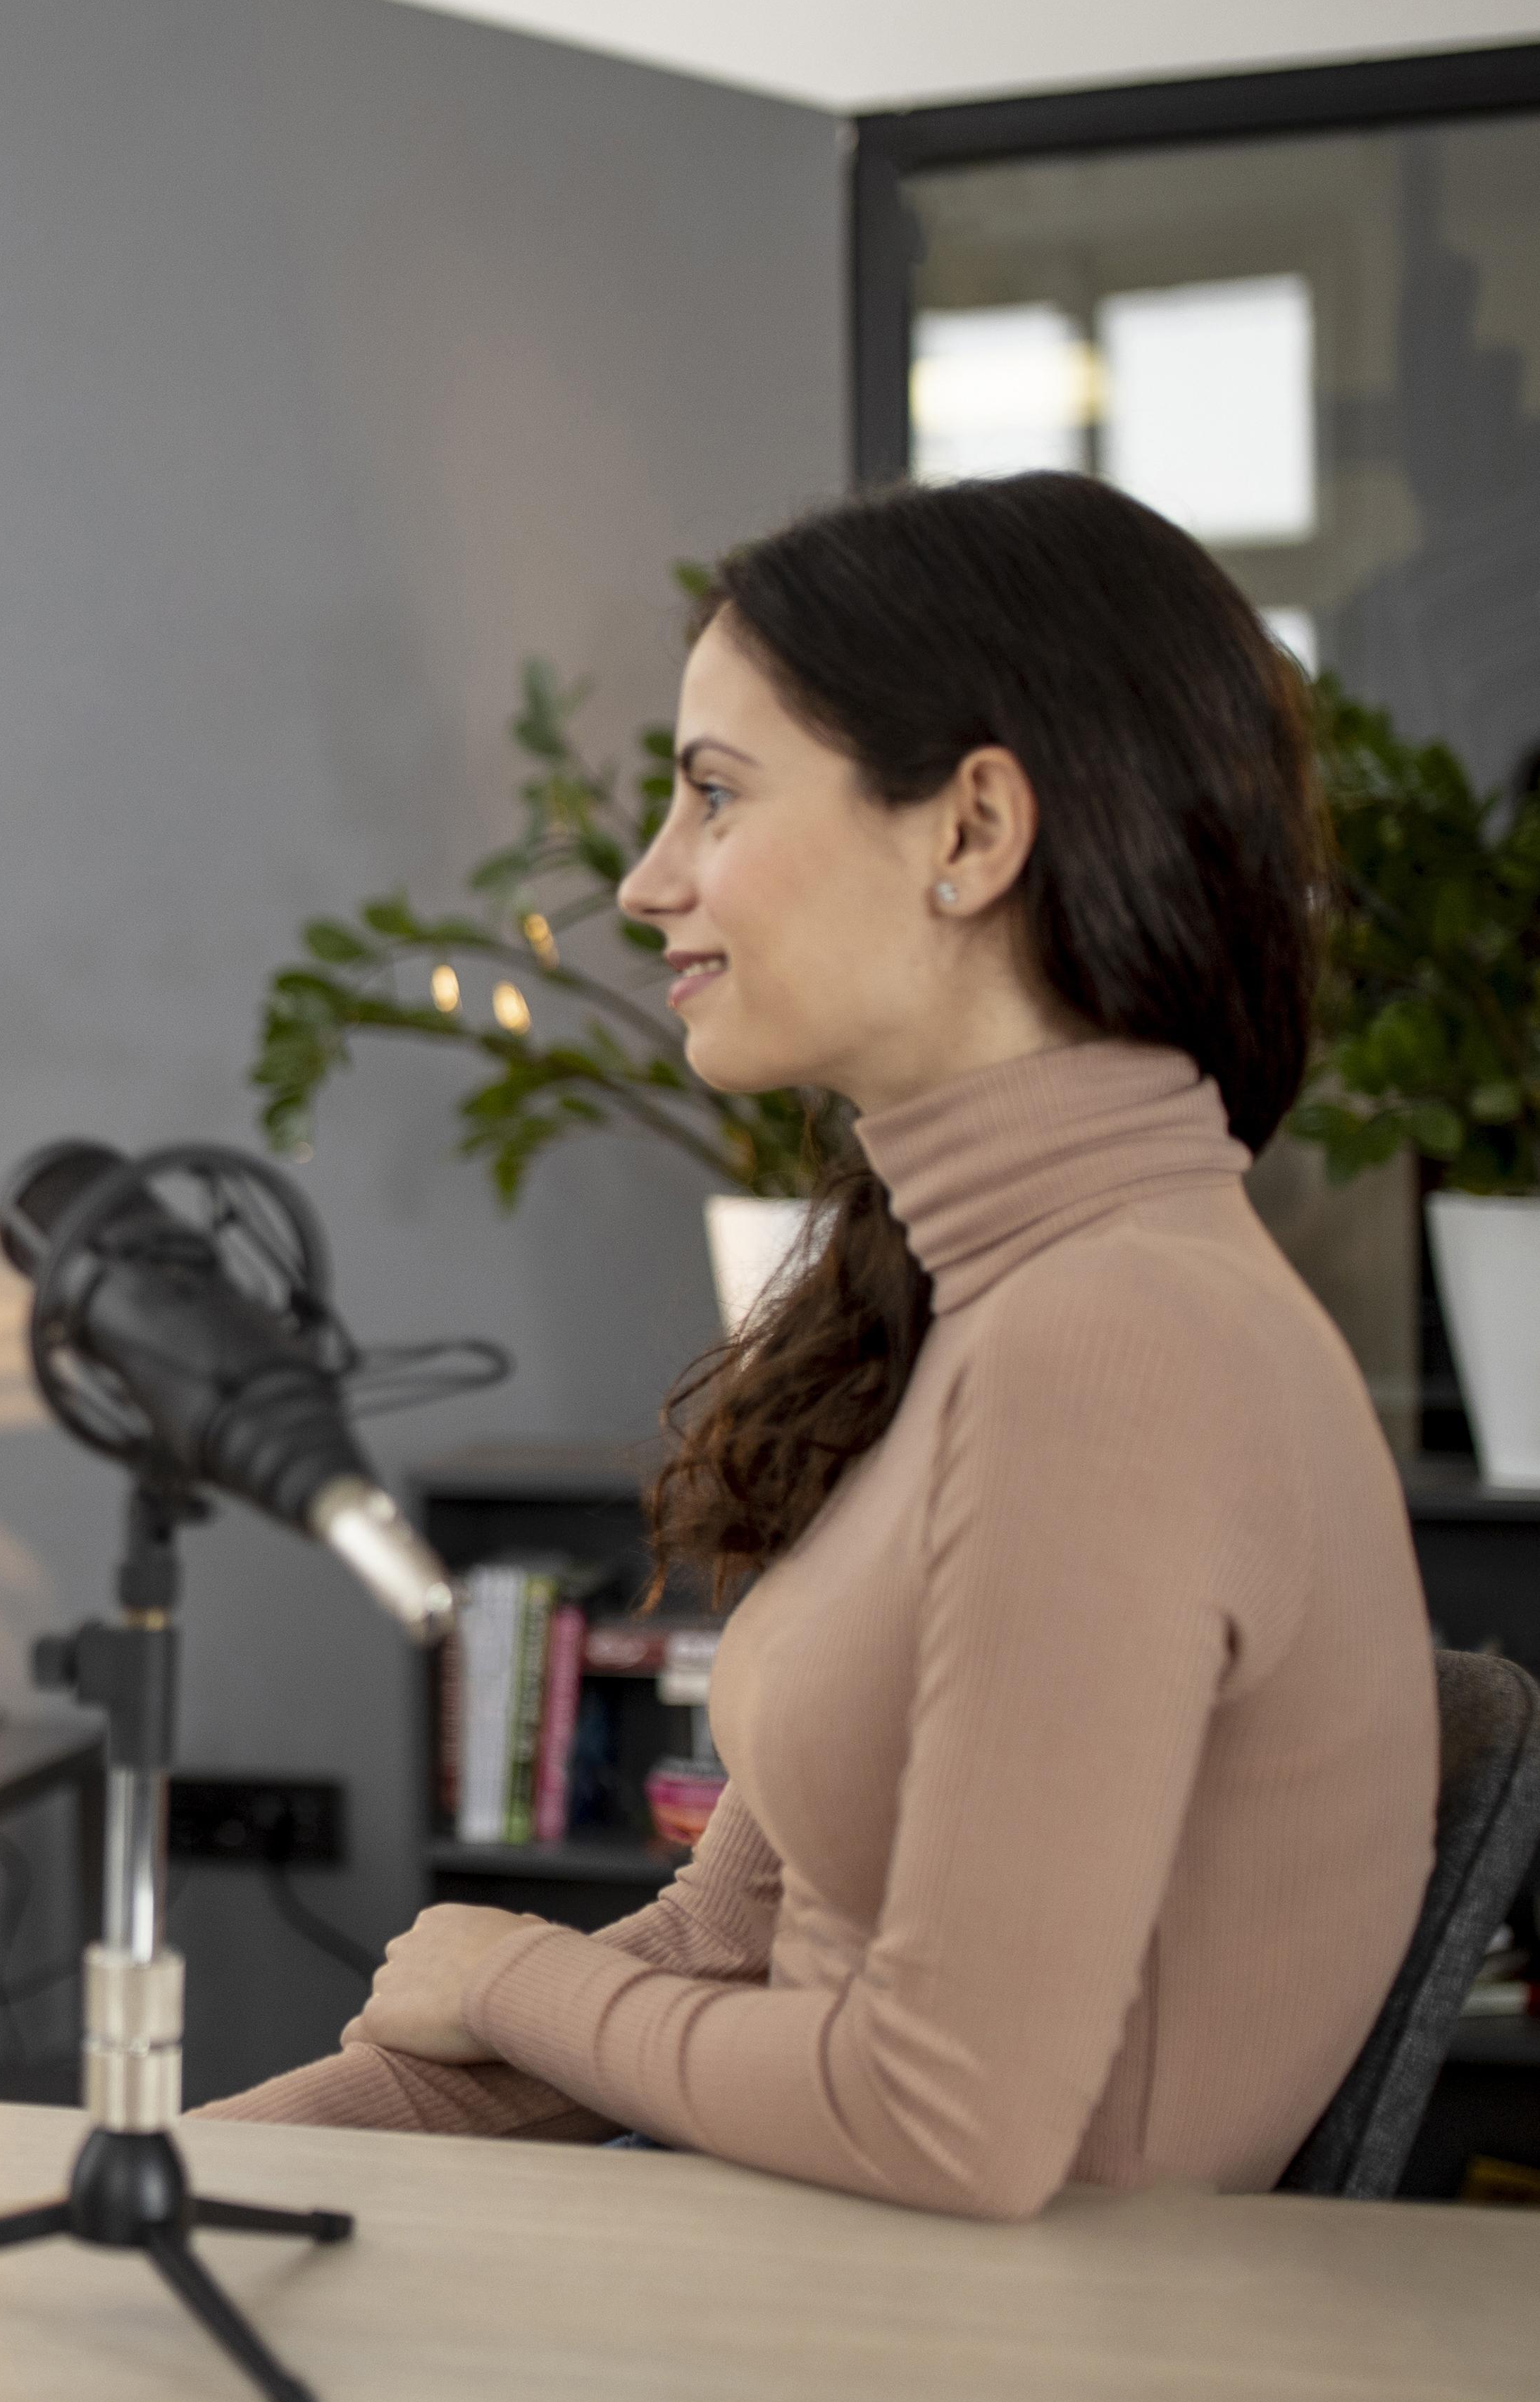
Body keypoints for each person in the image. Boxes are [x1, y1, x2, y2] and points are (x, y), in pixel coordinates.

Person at [198, 473, 1436, 2219]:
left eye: (713, 794)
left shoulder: (1114, 1347)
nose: (647, 882)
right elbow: (723, 1954)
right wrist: (187, 2173)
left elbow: (949, 2123)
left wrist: (505, 1980)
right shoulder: (1002, 1304)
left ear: (969, 833)